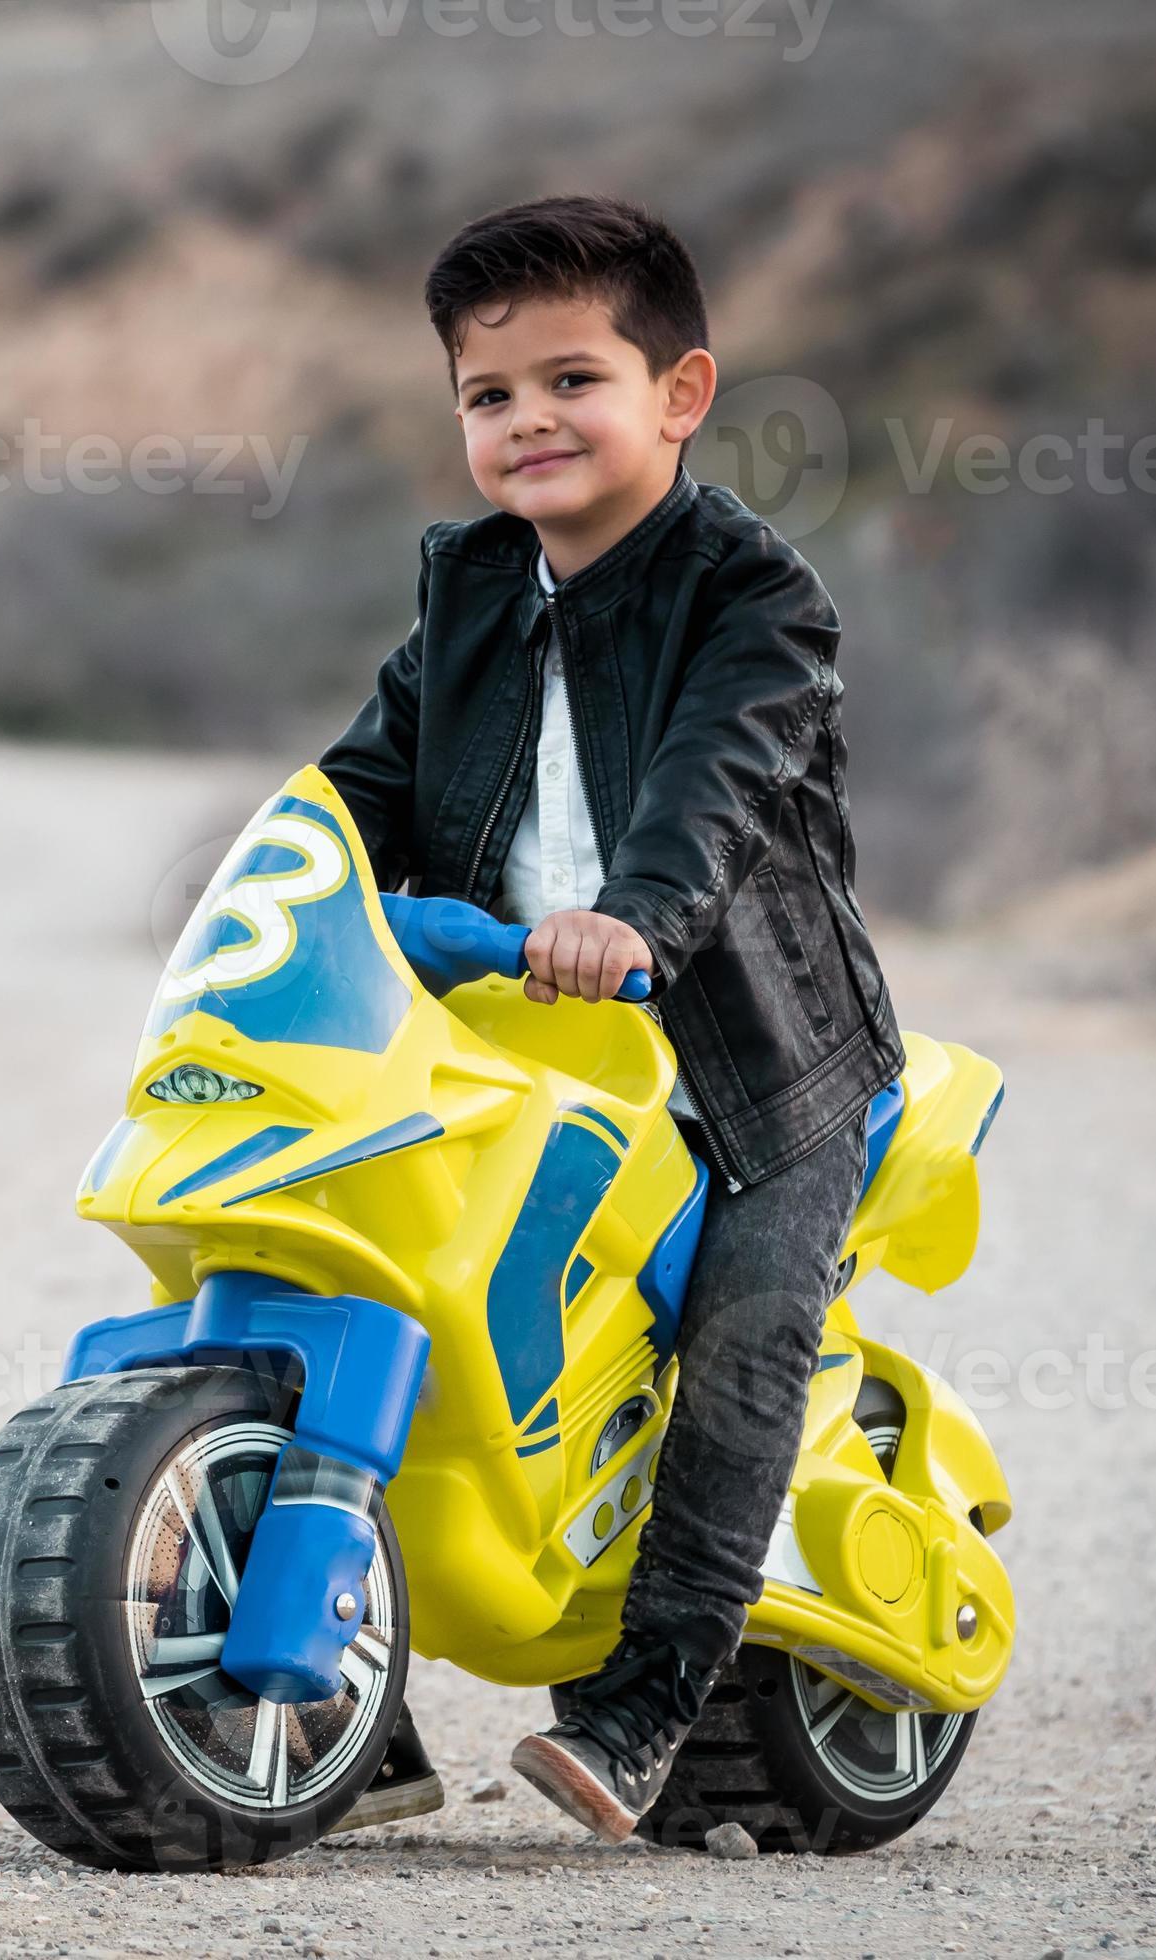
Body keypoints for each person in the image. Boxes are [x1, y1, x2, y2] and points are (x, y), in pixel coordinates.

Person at [318, 194, 904, 1844]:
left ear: (682, 392)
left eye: (574, 380)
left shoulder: (756, 595)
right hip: (518, 1025)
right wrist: (280, 878)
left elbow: (711, 795)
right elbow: (361, 781)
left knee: (737, 1338)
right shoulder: (469, 590)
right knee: (356, 1234)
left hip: (756, 1057)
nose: (528, 424)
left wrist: (631, 920)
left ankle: (649, 1700)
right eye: (488, 398)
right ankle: (364, 1712)